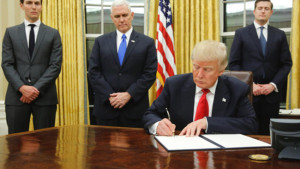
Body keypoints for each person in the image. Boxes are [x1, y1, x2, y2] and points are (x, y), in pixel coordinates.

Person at [143, 40, 258, 136]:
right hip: (182, 153)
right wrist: (157, 125)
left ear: (221, 71)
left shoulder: (237, 89)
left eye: (207, 69)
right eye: (196, 67)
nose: (199, 75)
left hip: (220, 155)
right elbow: (150, 114)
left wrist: (207, 123)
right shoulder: (175, 85)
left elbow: (251, 124)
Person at [88, 0, 157, 128]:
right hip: (106, 110)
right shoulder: (100, 42)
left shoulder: (147, 43)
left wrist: (129, 94)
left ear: (132, 15)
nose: (121, 20)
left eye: (125, 15)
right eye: (117, 16)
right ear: (111, 18)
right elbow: (93, 72)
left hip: (134, 111)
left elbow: (149, 74)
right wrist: (111, 96)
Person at [229, 0, 292, 135]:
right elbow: (234, 64)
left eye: (266, 8)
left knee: (268, 135)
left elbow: (286, 64)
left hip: (271, 97)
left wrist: (272, 85)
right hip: (248, 95)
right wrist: (251, 85)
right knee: (247, 133)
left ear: (271, 12)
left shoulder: (279, 35)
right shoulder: (241, 33)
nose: (263, 11)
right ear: (254, 11)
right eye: (260, 8)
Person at [1, 0, 62, 134]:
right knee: (15, 146)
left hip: (45, 98)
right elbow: (7, 64)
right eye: (29, 3)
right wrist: (22, 88)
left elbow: (55, 66)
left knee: (46, 145)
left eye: (37, 3)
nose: (34, 7)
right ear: (21, 6)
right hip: (17, 97)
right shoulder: (11, 33)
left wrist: (35, 90)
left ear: (41, 6)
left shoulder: (53, 33)